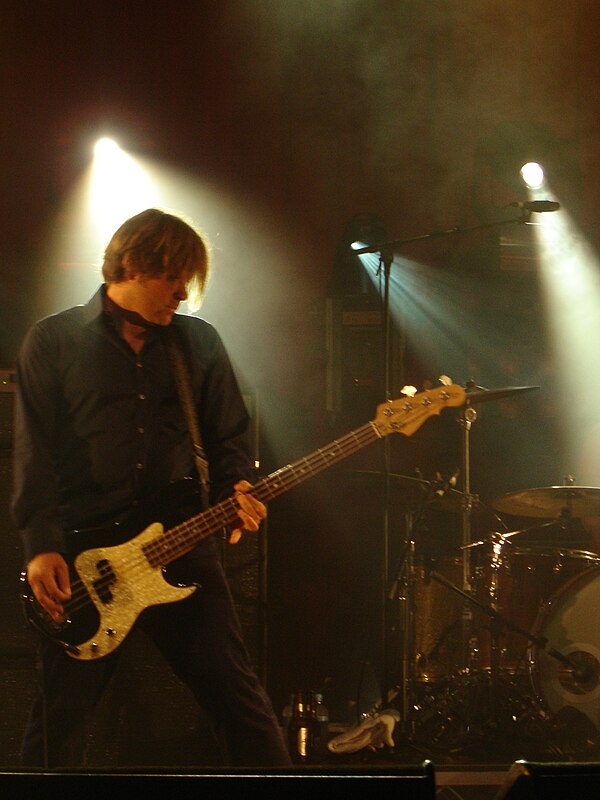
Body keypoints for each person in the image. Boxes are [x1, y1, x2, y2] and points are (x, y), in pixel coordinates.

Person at [11, 207, 293, 769]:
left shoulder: (199, 344)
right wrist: (41, 545)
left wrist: (237, 489)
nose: (183, 294)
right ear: (135, 264)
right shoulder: (53, 340)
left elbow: (229, 437)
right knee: (58, 730)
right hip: (87, 561)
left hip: (183, 548)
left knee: (241, 705)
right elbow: (34, 453)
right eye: (173, 278)